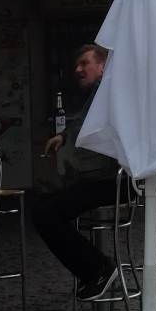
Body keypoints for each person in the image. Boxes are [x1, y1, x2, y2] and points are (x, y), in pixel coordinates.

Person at [28, 42, 128, 297]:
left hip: (111, 181)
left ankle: (98, 268)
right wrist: (63, 136)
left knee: (46, 214)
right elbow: (84, 120)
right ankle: (96, 268)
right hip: (99, 179)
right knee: (41, 207)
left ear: (103, 66)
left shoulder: (109, 89)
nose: (78, 69)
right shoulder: (101, 91)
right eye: (76, 65)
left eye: (85, 63)